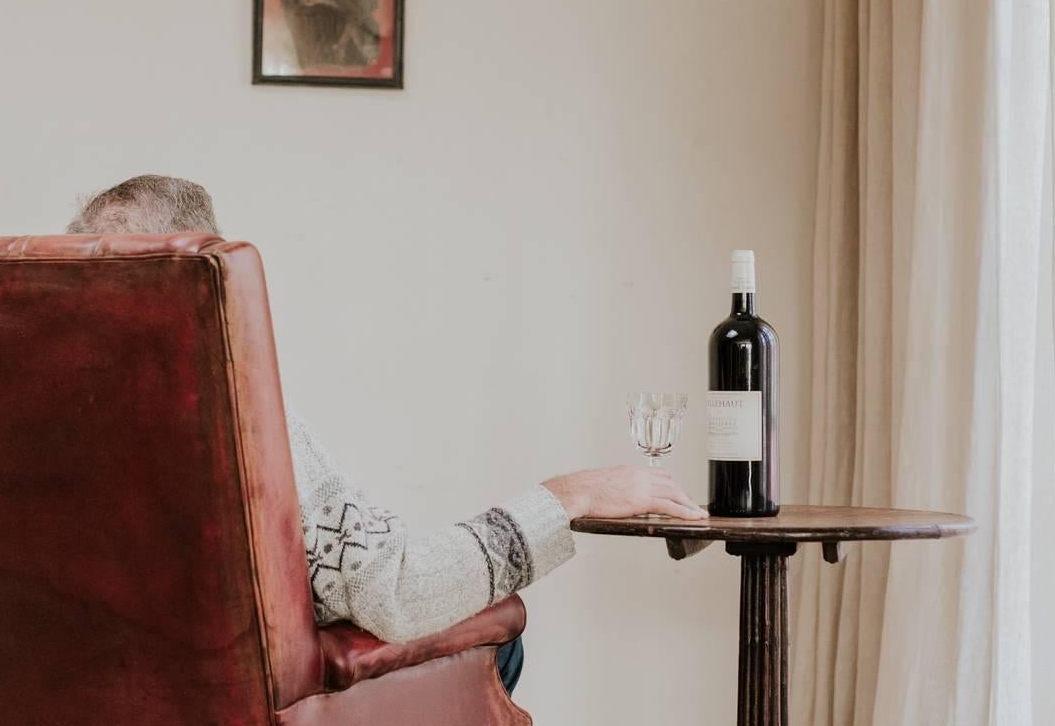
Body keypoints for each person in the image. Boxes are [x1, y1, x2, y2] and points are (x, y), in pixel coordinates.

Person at [65, 175, 707, 695]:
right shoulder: (235, 416)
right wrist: (570, 497)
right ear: (214, 284)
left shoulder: (18, 425)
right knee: (499, 642)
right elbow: (395, 594)